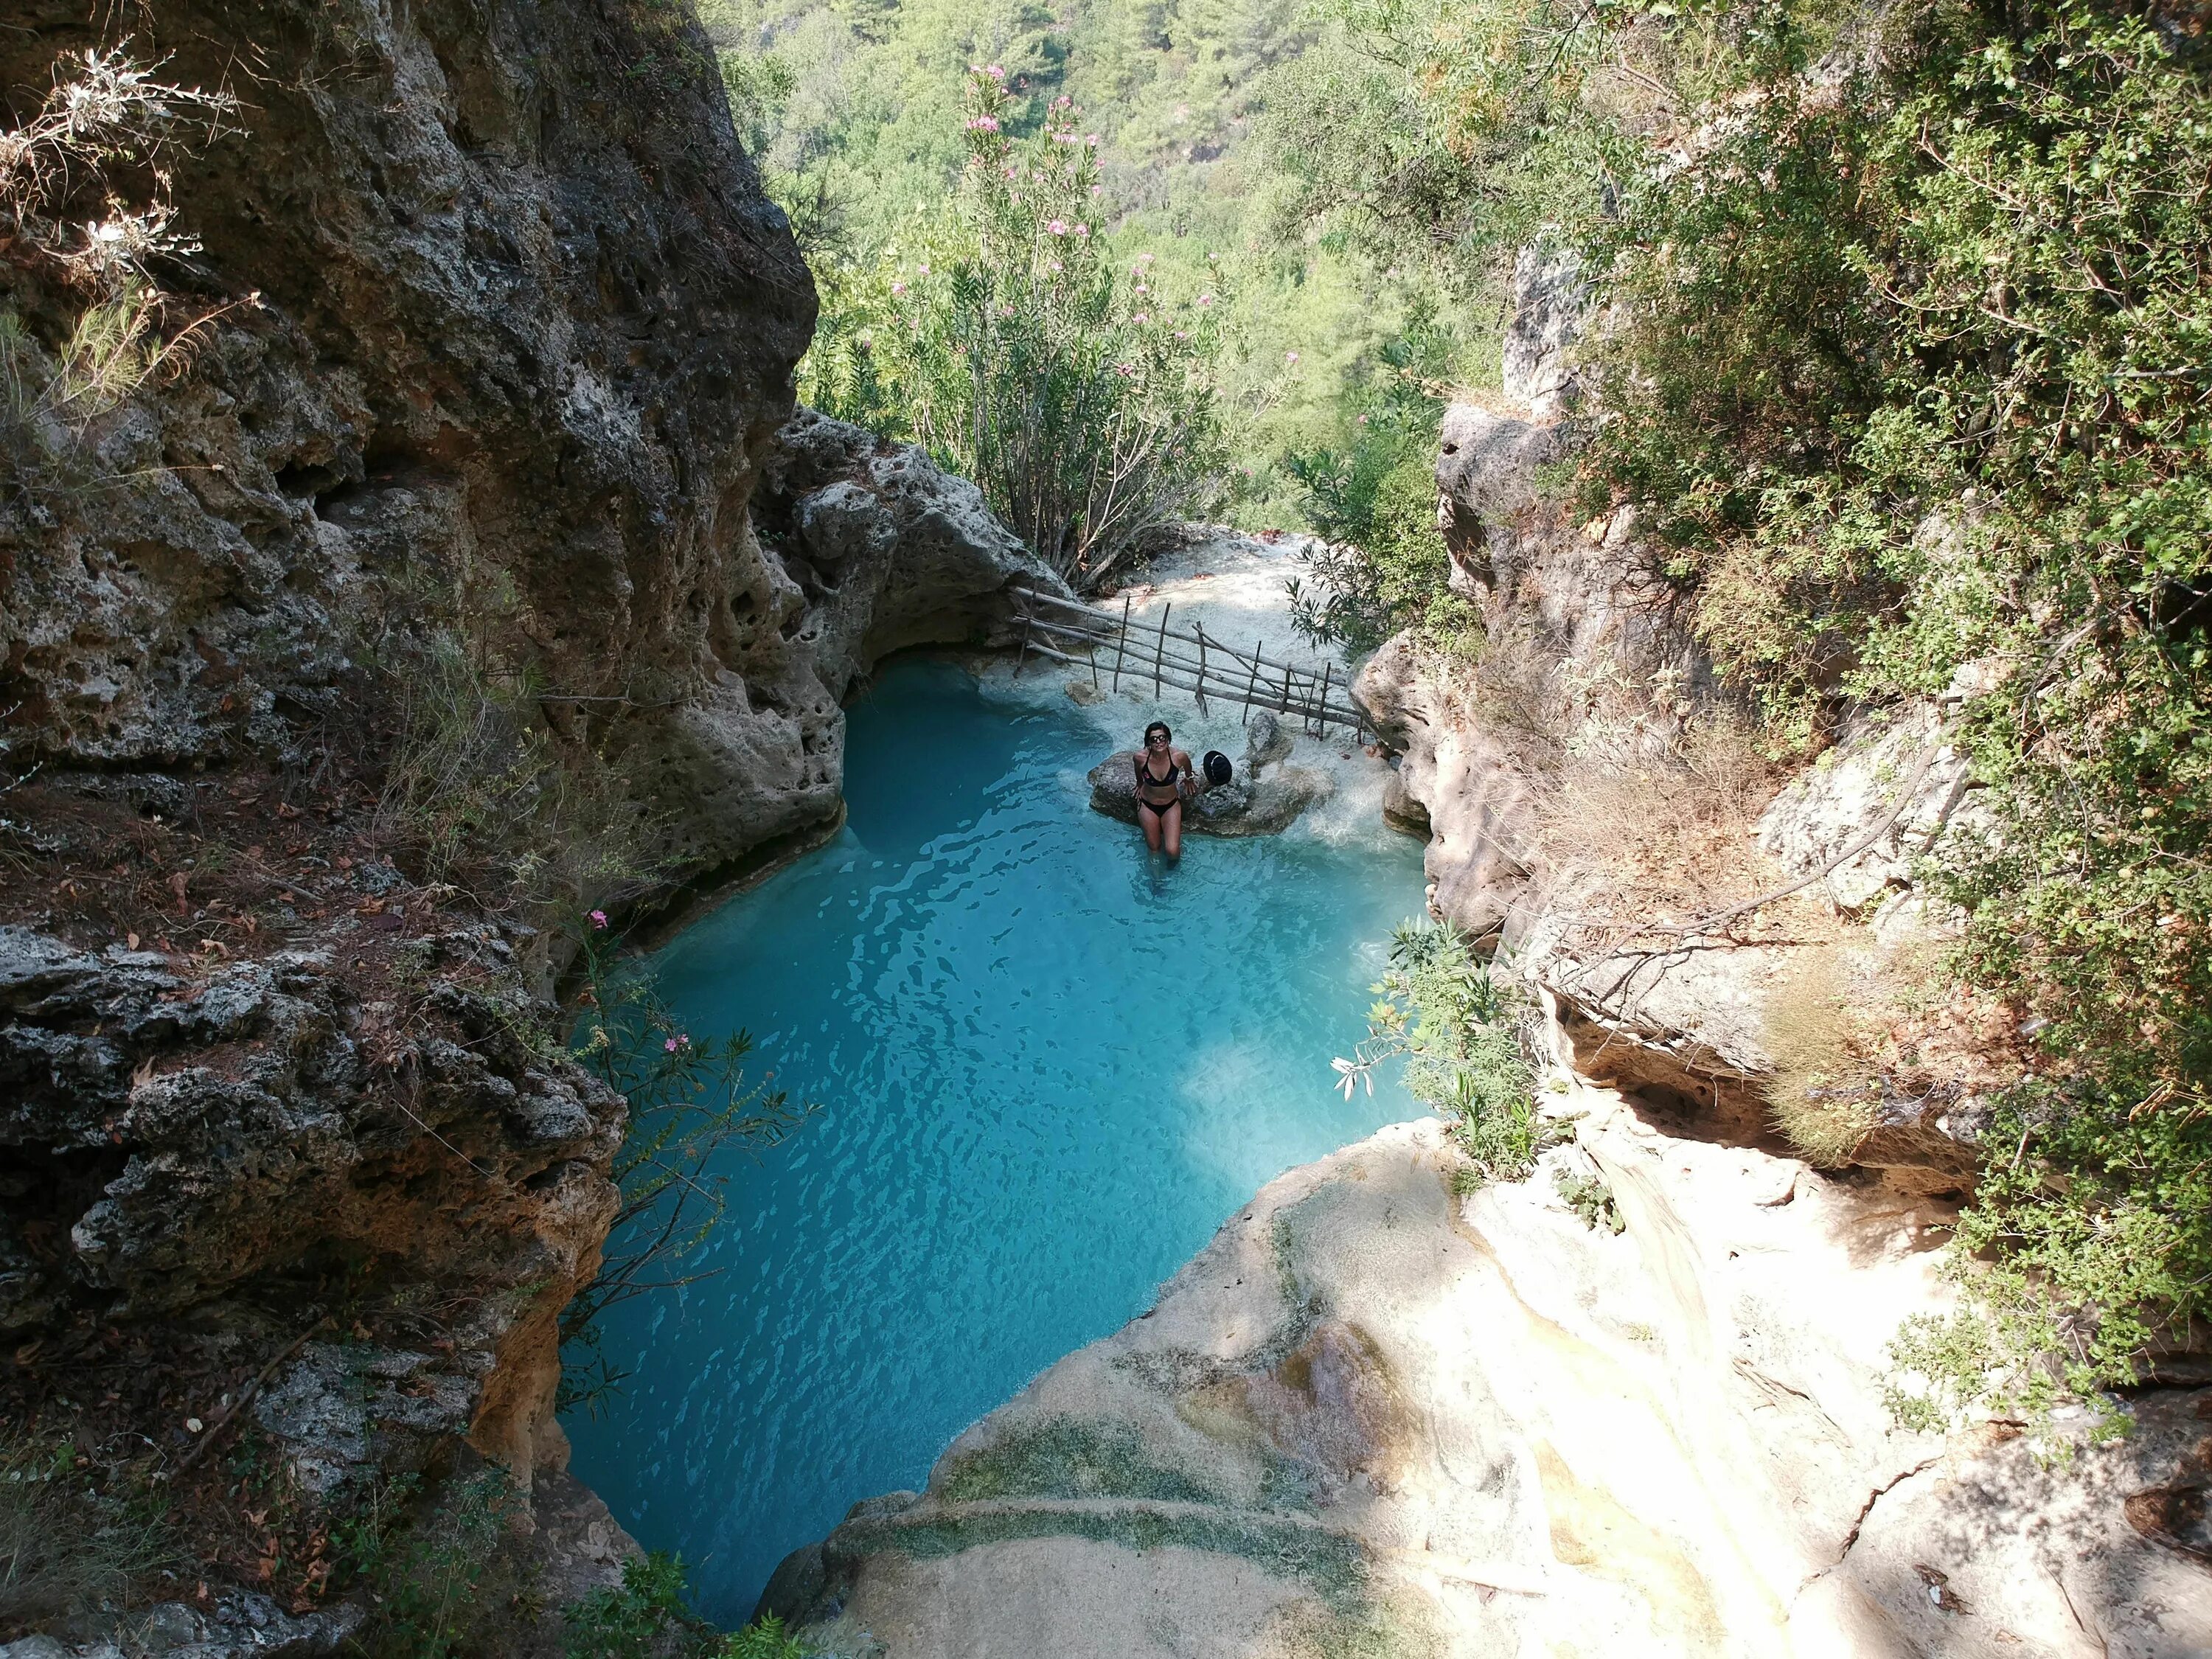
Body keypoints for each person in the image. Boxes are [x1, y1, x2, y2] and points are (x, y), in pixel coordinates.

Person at [1132, 720, 1194, 857]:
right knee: (1154, 848)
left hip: (1171, 805)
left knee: (1173, 851)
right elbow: (1138, 770)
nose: (1159, 742)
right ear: (1148, 742)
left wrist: (1189, 779)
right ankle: (1156, 878)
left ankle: (1174, 875)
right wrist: (1139, 783)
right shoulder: (1140, 758)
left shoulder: (1179, 757)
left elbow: (1188, 766)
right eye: (1153, 739)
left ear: (1168, 738)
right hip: (1147, 805)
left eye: (1162, 738)